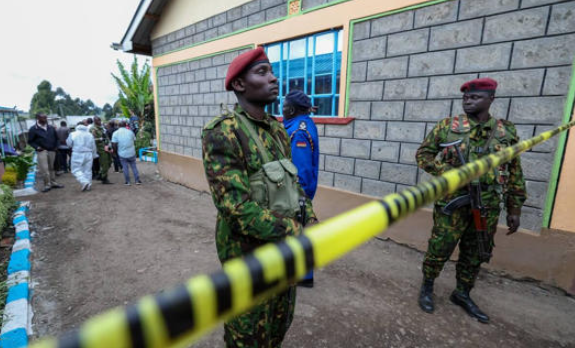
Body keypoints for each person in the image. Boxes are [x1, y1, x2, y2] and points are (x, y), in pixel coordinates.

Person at [202, 47, 317, 347]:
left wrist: (311, 218)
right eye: (262, 72)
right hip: (247, 261)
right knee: (248, 335)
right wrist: (296, 231)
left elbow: (295, 187)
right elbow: (237, 209)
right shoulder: (224, 132)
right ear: (239, 84)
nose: (274, 78)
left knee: (279, 324)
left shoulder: (279, 131)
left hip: (283, 255)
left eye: (272, 71)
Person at [415, 78, 526, 324]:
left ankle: (462, 293)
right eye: (465, 97)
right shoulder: (448, 126)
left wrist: (514, 207)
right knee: (440, 246)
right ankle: (427, 287)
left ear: (490, 99)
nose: (468, 101)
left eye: (475, 97)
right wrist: (447, 170)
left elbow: (515, 169)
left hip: (487, 202)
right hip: (453, 198)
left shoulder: (505, 131)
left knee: (476, 251)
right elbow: (423, 154)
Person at [282, 90, 319, 288]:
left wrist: (299, 198)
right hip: (297, 192)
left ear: (293, 109)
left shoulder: (299, 131)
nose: (282, 108)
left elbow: (301, 170)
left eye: (285, 105)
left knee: (296, 232)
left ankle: (303, 276)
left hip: (296, 193)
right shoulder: (299, 125)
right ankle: (304, 274)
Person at [27, 113, 64, 192]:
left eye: (46, 118)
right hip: (42, 151)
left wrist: (56, 147)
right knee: (45, 169)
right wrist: (37, 147)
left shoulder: (51, 128)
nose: (45, 119)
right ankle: (47, 185)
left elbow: (57, 138)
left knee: (52, 168)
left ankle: (53, 183)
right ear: (38, 118)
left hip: (52, 150)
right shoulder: (33, 129)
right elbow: (30, 141)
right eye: (43, 118)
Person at [67, 122, 97, 191]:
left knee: (75, 170)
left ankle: (84, 181)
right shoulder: (89, 134)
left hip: (77, 153)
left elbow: (69, 144)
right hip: (89, 153)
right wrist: (94, 154)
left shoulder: (73, 134)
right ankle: (88, 185)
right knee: (88, 170)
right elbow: (94, 146)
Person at [111, 120, 141, 185]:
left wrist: (115, 153)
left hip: (122, 154)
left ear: (118, 126)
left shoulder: (115, 133)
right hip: (131, 153)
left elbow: (114, 144)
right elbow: (134, 140)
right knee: (134, 166)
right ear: (126, 125)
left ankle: (127, 181)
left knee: (125, 167)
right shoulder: (130, 132)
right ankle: (137, 180)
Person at [90, 116, 113, 184]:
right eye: (98, 120)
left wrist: (108, 143)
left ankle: (100, 174)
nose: (100, 122)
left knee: (109, 162)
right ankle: (104, 178)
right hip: (100, 149)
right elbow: (92, 139)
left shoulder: (102, 128)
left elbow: (106, 136)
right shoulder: (93, 129)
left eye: (100, 120)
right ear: (94, 121)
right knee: (105, 163)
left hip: (106, 147)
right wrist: (99, 139)